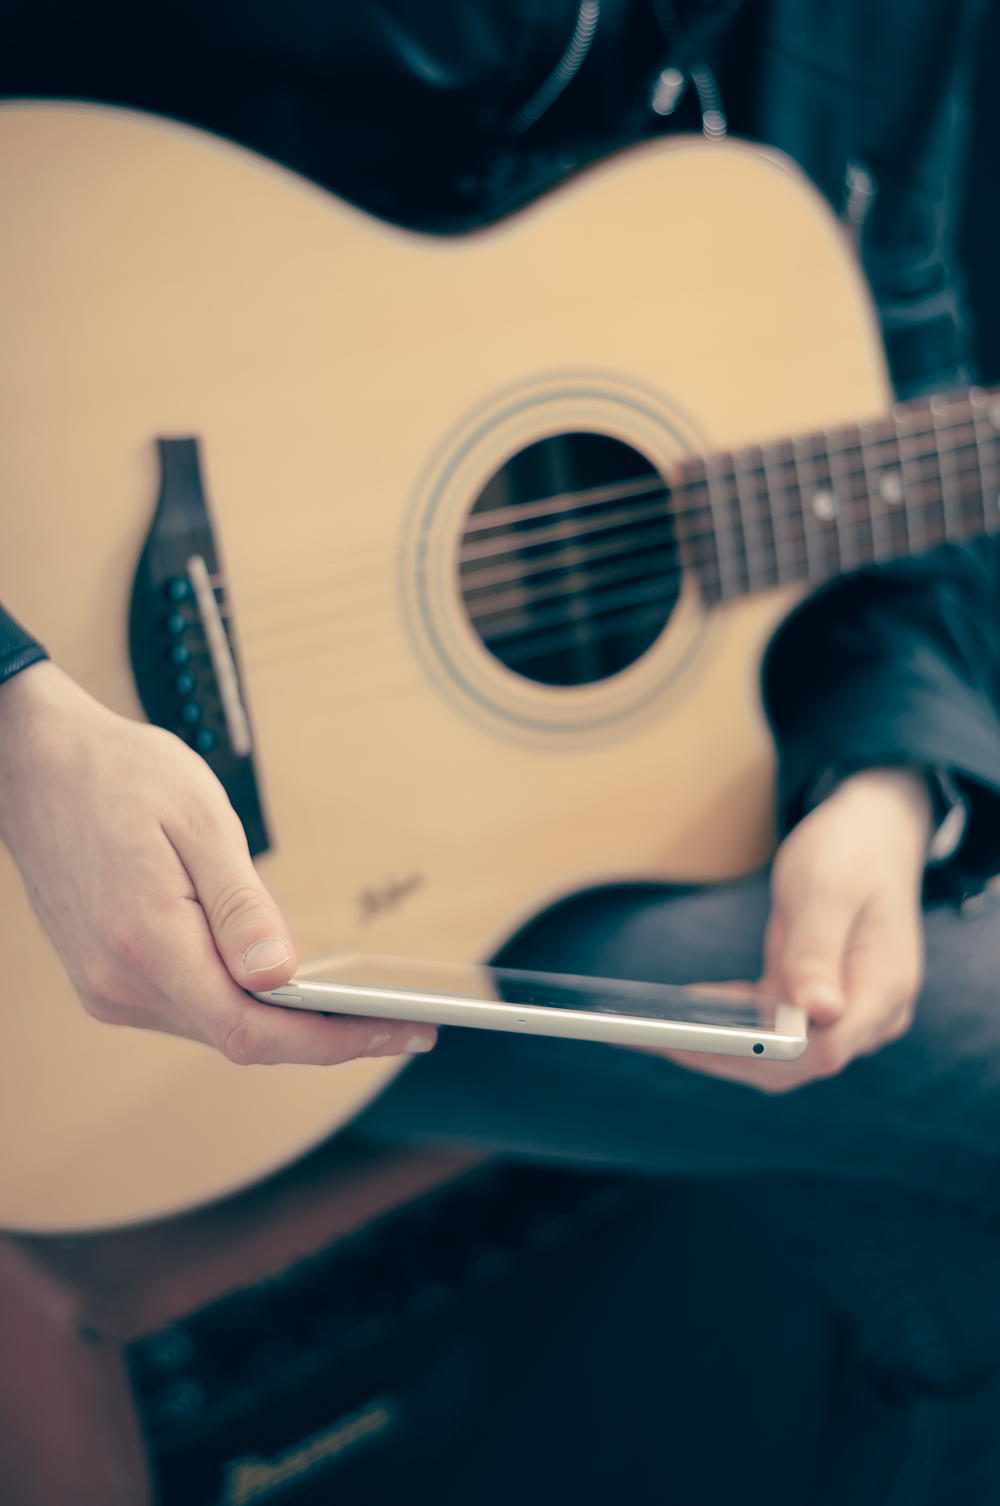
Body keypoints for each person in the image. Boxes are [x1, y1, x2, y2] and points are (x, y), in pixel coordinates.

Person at [3, 3, 1000, 1499]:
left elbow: (897, 439)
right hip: (169, 957)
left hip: (543, 846)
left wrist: (885, 774)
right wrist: (19, 710)